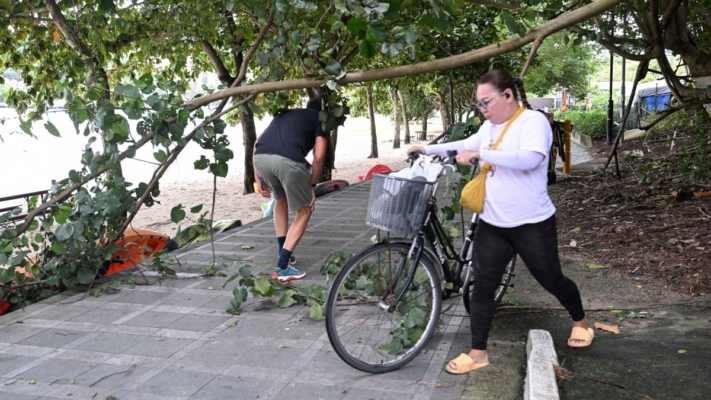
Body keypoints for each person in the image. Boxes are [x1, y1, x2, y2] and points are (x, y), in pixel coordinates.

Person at [407, 70, 593, 374]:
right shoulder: (489, 127)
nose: (483, 110)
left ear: (508, 95)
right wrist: (428, 148)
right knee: (482, 287)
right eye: (479, 105)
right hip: (493, 223)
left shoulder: (532, 122)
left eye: (486, 102)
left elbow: (530, 159)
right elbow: (466, 144)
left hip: (532, 223)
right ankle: (478, 352)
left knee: (551, 279)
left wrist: (483, 153)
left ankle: (581, 321)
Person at [253, 99, 327, 282]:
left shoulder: (285, 113)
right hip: (288, 161)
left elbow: (256, 143)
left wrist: (257, 176)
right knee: (304, 210)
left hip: (260, 159)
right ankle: (283, 266)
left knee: (280, 199)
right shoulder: (321, 119)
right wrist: (312, 186)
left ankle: (282, 252)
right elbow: (319, 156)